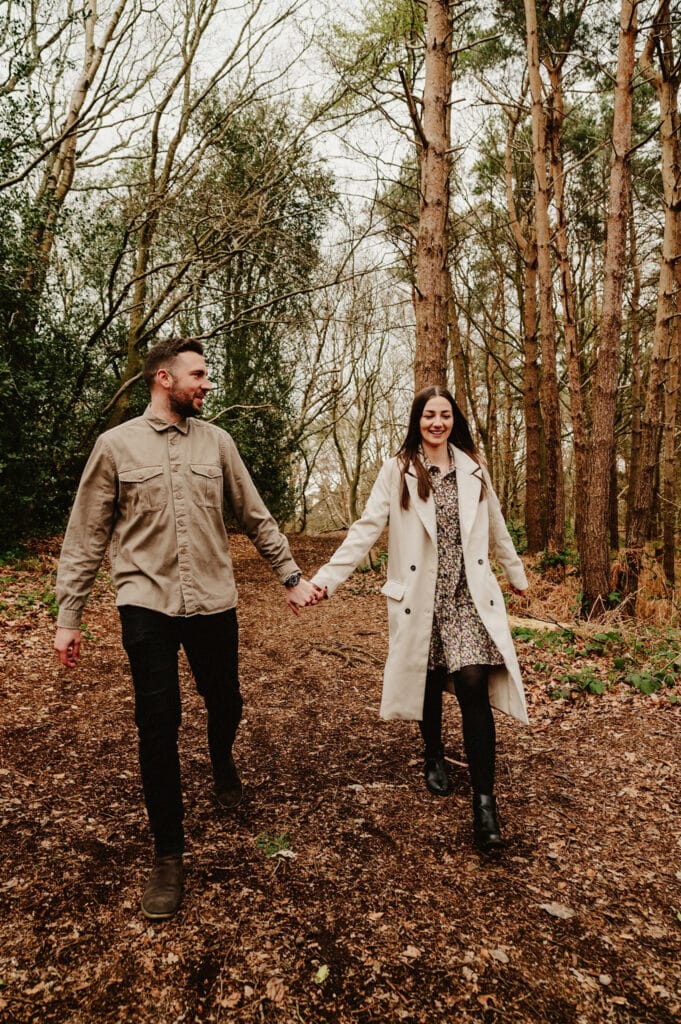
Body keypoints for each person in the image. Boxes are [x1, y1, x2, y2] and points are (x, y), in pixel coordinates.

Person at [53, 337, 320, 919]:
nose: (206, 384)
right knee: (157, 724)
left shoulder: (218, 443)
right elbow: (86, 535)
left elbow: (254, 512)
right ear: (163, 379)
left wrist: (290, 576)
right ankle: (168, 855)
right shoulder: (114, 447)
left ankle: (222, 758)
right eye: (197, 375)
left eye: (206, 375)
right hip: (145, 603)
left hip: (213, 603)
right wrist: (68, 616)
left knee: (225, 699)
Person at [310, 386, 528, 851]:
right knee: (428, 678)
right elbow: (366, 529)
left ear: (454, 420)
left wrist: (516, 573)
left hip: (468, 595)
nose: (437, 422)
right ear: (417, 420)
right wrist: (326, 580)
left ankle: (485, 804)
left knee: (472, 681)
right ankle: (433, 753)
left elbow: (497, 524)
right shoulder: (398, 470)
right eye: (429, 415)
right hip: (421, 595)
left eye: (444, 415)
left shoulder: (473, 468)